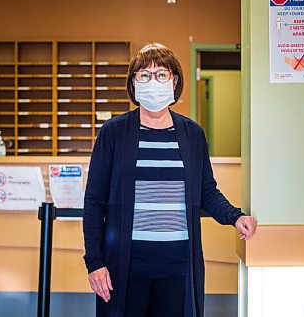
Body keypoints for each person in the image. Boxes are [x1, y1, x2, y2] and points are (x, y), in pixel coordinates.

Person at [83, 43, 257, 317]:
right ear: (133, 83)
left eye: (161, 74)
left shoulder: (192, 134)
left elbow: (207, 191)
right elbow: (94, 201)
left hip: (178, 265)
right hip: (125, 266)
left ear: (175, 81)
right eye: (144, 75)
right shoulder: (113, 132)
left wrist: (235, 216)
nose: (153, 82)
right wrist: (94, 262)